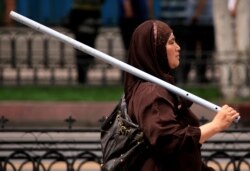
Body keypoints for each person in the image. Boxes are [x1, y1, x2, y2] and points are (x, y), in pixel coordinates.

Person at [123, 20, 239, 170]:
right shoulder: (151, 93)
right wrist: (215, 126)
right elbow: (169, 141)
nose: (178, 47)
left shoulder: (150, 88)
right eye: (171, 42)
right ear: (155, 50)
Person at [66, 0, 105, 84]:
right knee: (81, 48)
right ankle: (81, 77)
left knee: (89, 48)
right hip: (80, 15)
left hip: (93, 14)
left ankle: (83, 75)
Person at [182, 0, 214, 83]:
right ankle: (186, 76)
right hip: (195, 22)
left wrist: (195, 16)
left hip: (202, 23)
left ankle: (201, 77)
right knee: (190, 52)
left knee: (203, 53)